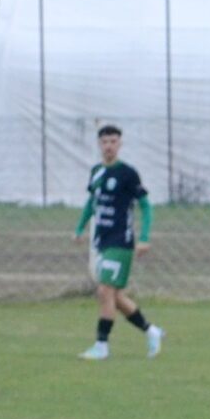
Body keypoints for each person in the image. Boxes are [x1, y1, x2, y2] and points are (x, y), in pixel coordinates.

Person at [77, 124, 161, 360]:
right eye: (105, 142)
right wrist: (79, 228)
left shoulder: (127, 173)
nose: (109, 146)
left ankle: (101, 346)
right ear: (99, 144)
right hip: (102, 240)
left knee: (104, 290)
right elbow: (91, 203)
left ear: (120, 144)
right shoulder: (96, 172)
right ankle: (150, 330)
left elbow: (145, 206)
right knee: (113, 295)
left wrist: (144, 239)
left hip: (121, 241)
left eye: (113, 142)